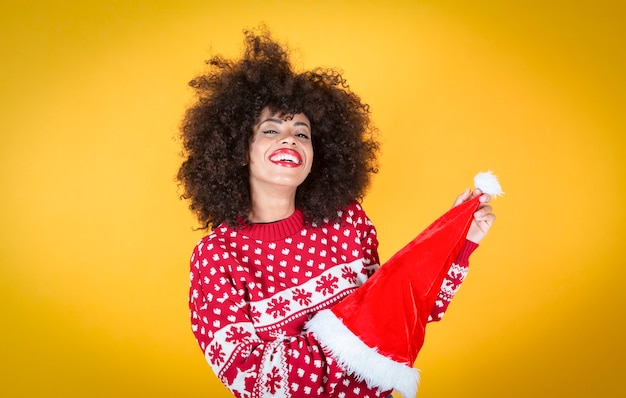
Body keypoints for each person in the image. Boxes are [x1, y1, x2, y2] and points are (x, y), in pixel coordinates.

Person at [177, 28, 496, 398]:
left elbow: (401, 314)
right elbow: (251, 376)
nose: (289, 139)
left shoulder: (347, 222)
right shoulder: (216, 257)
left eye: (302, 133)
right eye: (270, 130)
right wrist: (352, 336)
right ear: (237, 149)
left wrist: (459, 241)